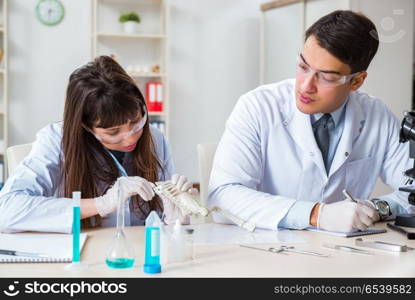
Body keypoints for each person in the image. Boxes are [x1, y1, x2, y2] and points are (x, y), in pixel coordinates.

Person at [208, 10, 415, 233]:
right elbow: (222, 197)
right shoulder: (258, 107)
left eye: (326, 77)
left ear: (356, 81)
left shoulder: (376, 115)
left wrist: (376, 208)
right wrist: (316, 214)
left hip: (345, 253)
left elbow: (410, 192)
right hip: (266, 249)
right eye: (303, 66)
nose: (306, 86)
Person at [0, 55, 193, 233]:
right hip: (81, 256)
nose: (130, 138)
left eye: (135, 122)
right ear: (86, 126)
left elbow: (157, 225)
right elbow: (7, 210)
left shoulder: (155, 139)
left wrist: (176, 219)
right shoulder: (56, 140)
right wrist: (101, 204)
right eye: (113, 132)